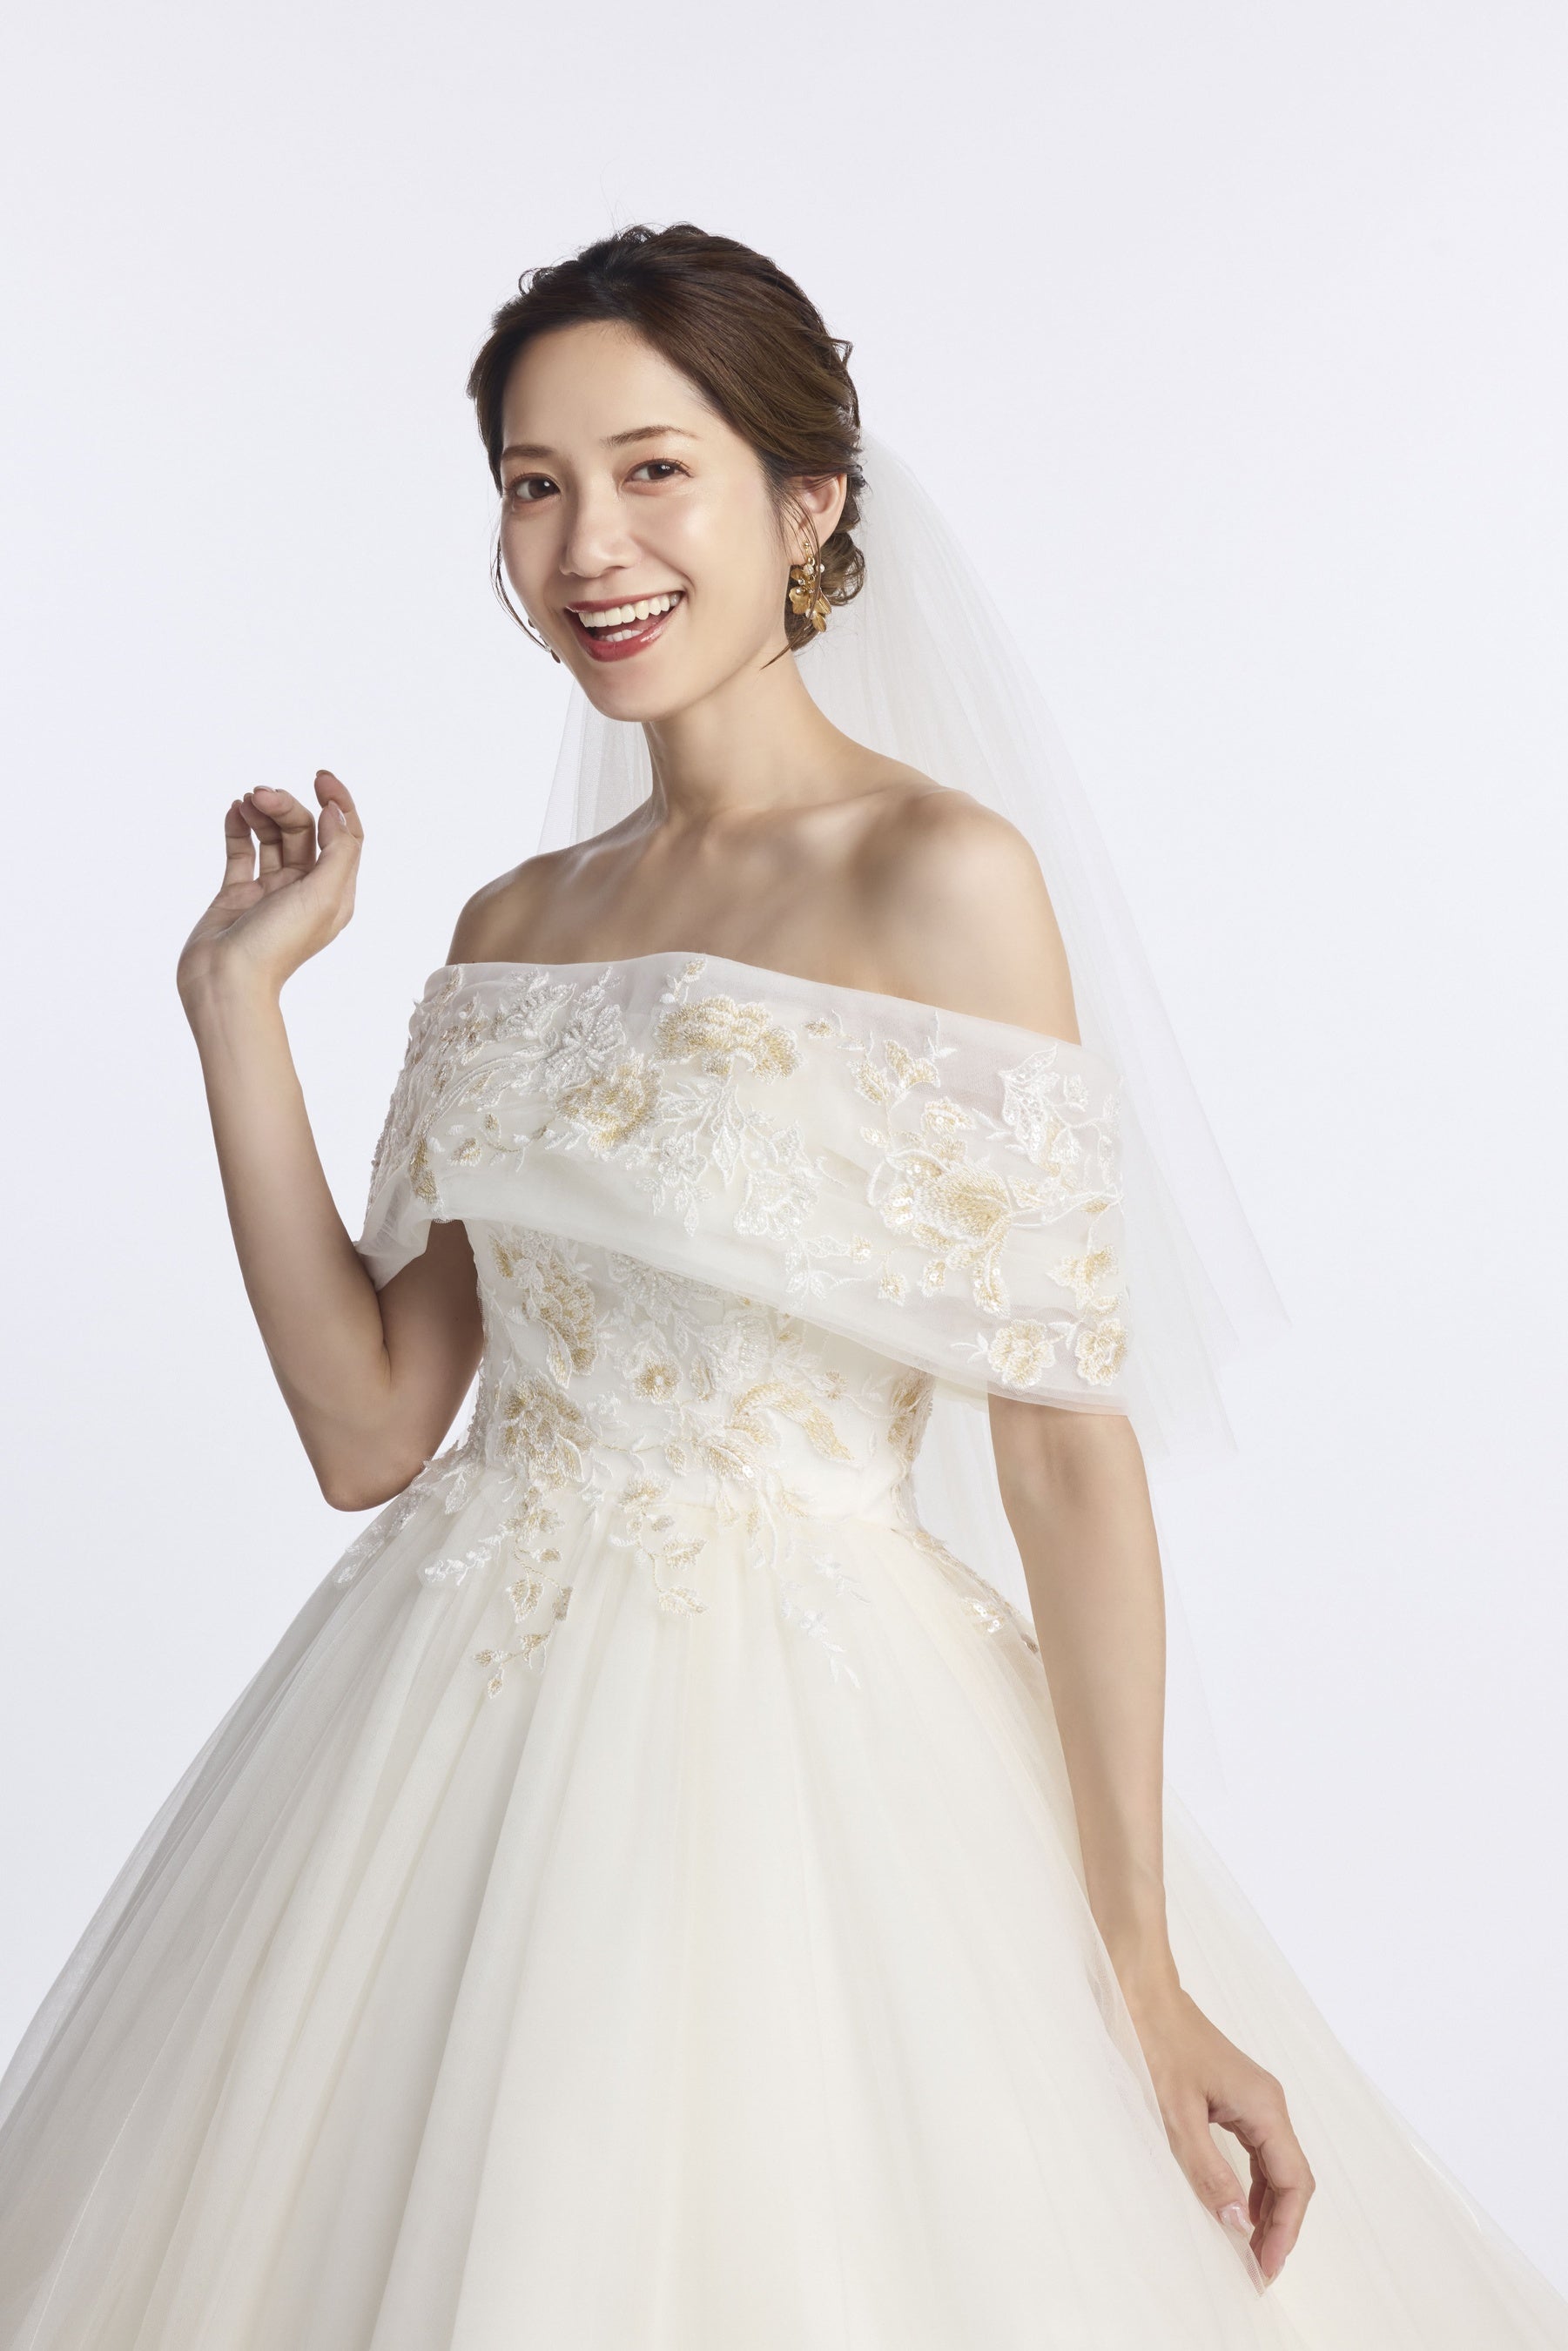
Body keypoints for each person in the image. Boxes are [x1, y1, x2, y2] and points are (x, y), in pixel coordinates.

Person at [0, 223, 1563, 2349]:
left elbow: (1064, 1454)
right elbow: (370, 1429)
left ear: (805, 503)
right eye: (535, 484)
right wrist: (235, 1007)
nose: (589, 546)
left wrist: (1136, 1963)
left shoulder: (940, 877)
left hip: (812, 1746)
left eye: (655, 470)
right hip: (446, 1736)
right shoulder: (511, 923)